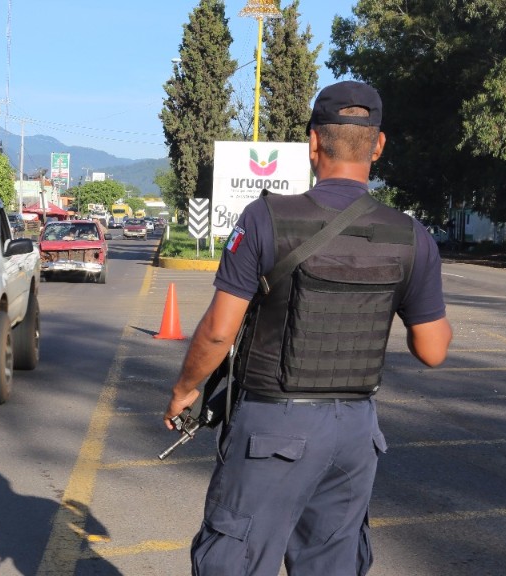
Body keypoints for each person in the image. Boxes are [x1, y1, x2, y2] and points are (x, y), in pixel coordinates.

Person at [164, 81, 453, 575]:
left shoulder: (264, 219)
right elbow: (432, 349)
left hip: (274, 426)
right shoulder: (412, 237)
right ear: (378, 145)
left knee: (234, 559)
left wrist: (184, 391)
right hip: (355, 434)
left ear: (313, 144)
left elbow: (218, 331)